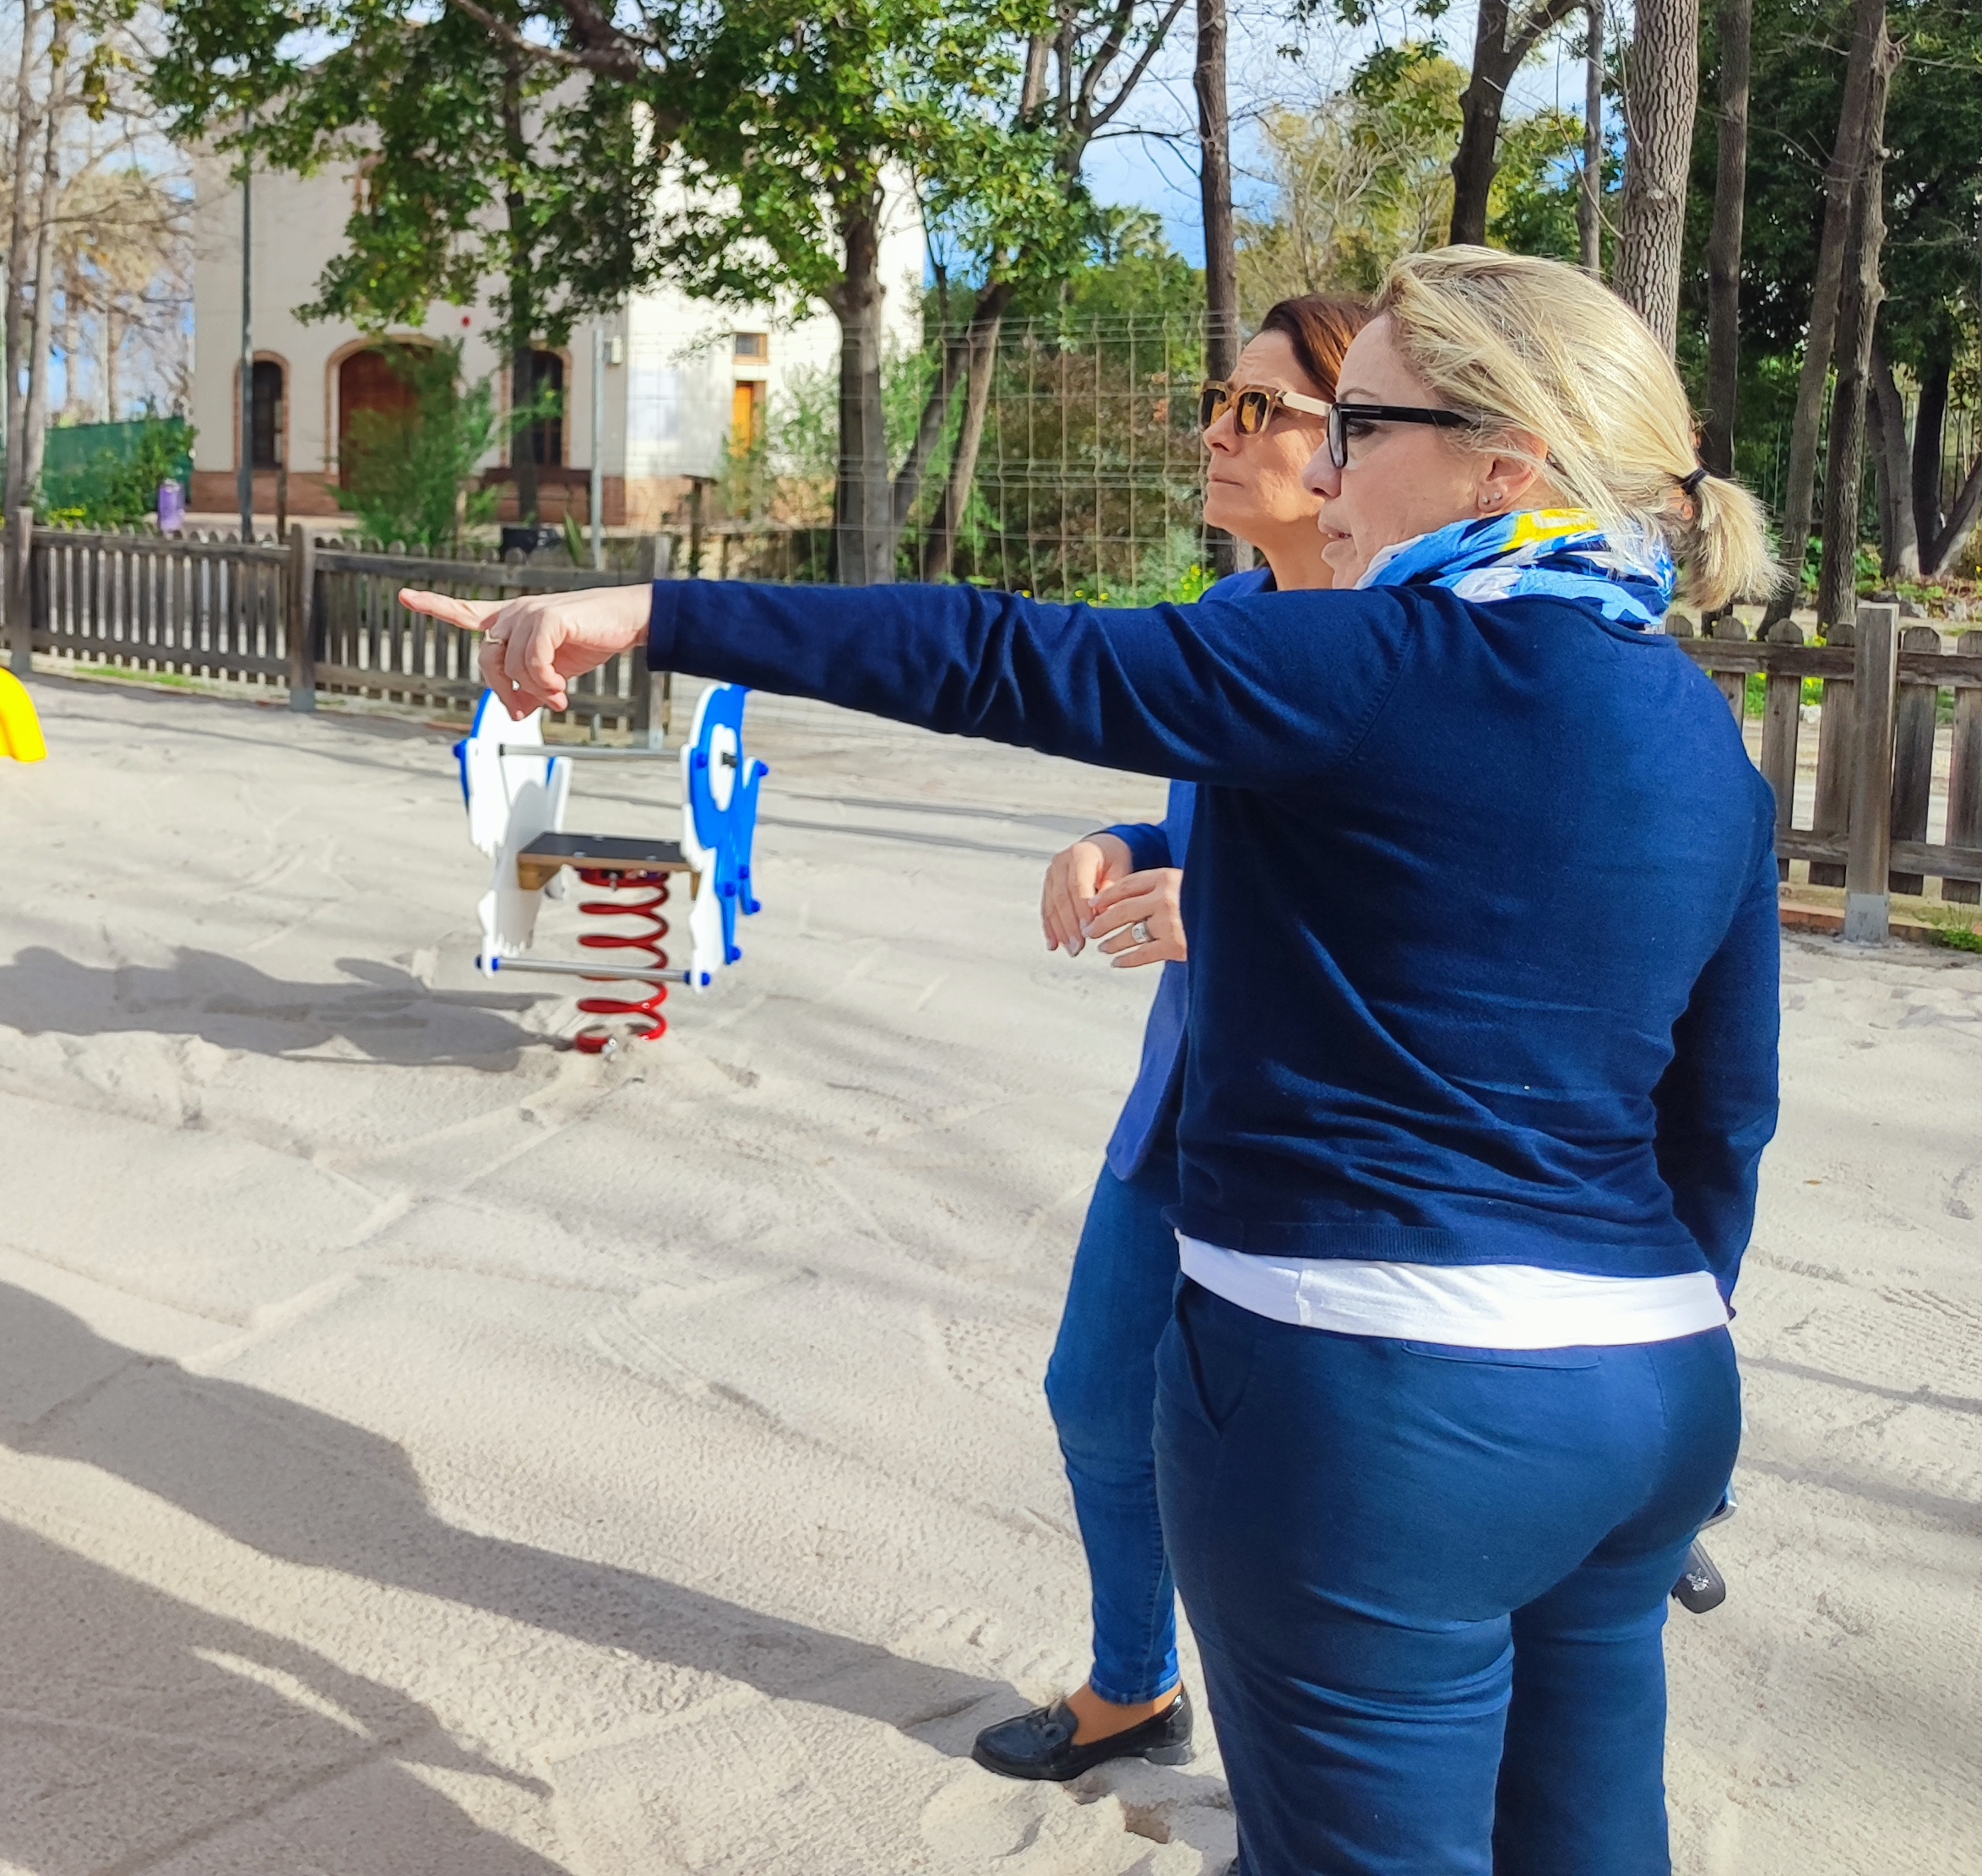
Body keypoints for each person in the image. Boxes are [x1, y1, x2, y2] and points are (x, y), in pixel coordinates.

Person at [405, 247, 1778, 1876]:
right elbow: (1723, 1113)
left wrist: (649, 608)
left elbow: (1001, 654)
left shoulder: (1380, 662)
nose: (1329, 469)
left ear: (1508, 467)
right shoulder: (1697, 728)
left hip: (1381, 1403)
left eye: (1359, 428)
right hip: (1652, 1391)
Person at [971, 294, 1368, 1786]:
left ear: (1359, 439)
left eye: (1260, 408)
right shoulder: (1229, 622)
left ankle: (1328, 1786)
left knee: (1313, 1484)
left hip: (1331, 1149)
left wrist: (1240, 914)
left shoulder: (1416, 645)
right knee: (1095, 1397)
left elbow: (1440, 900)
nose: (1217, 430)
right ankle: (1133, 1688)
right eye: (1223, 398)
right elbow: (1210, 841)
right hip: (1179, 1119)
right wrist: (1118, 841)